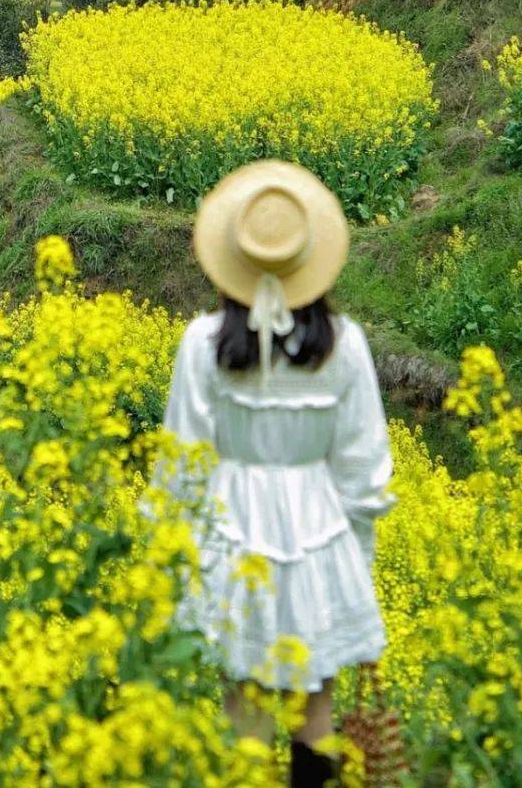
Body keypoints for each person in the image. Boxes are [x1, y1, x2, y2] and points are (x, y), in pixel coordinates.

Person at [161, 161, 393, 786]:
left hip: (231, 537)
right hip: (320, 535)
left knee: (243, 711)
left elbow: (181, 465)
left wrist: (172, 562)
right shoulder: (344, 345)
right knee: (317, 712)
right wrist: (355, 564)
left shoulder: (203, 343)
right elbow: (365, 471)